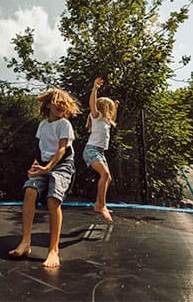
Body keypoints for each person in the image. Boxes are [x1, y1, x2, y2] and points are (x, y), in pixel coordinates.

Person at [8, 87, 80, 268]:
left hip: (62, 165)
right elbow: (38, 150)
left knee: (53, 200)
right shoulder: (42, 125)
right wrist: (34, 168)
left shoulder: (64, 124)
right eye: (58, 103)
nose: (61, 107)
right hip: (44, 164)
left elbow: (62, 150)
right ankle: (25, 242)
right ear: (48, 105)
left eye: (64, 104)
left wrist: (46, 168)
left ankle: (53, 250)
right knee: (30, 190)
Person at [82, 77, 118, 222]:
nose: (111, 111)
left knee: (108, 177)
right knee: (105, 174)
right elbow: (92, 104)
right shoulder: (97, 116)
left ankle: (98, 204)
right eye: (110, 108)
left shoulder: (106, 121)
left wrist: (115, 107)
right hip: (91, 150)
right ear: (103, 108)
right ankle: (102, 206)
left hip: (100, 152)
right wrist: (95, 89)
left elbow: (112, 116)